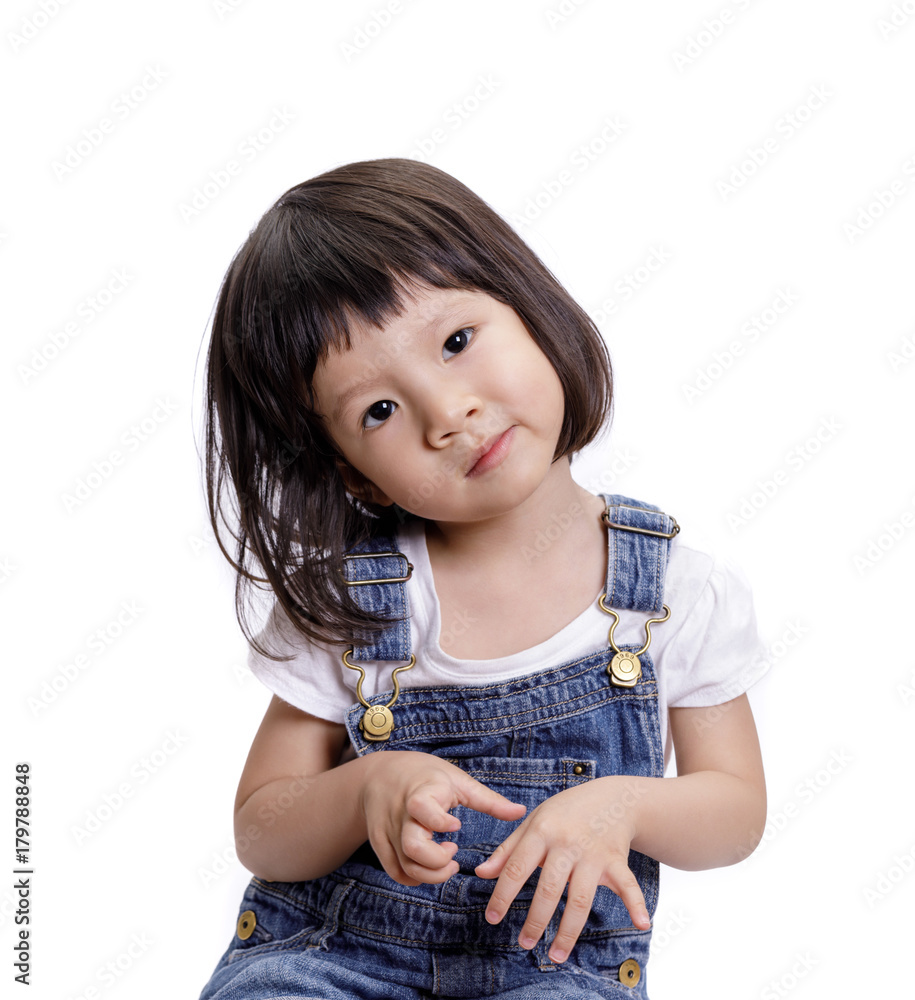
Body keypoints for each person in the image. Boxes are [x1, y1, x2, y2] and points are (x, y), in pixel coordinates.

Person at [197, 158, 768, 1000]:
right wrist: (363, 788)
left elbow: (734, 812)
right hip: (339, 962)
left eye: (457, 342)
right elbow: (262, 830)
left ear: (529, 308)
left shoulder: (674, 597)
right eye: (379, 411)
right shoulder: (351, 607)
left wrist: (623, 807)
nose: (447, 414)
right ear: (354, 475)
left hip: (552, 972)